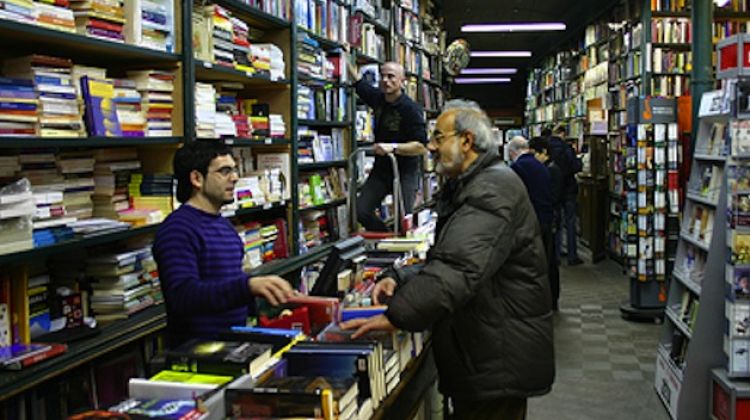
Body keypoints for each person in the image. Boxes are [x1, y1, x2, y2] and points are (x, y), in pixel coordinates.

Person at [341, 101, 554, 420]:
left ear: (466, 141)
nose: (430, 146)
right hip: (486, 349)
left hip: (497, 359)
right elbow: (450, 256)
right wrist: (400, 278)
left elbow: (458, 269)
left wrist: (400, 314)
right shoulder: (474, 184)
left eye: (439, 137)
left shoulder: (493, 188)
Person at [153, 141, 294, 347]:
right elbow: (182, 296)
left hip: (231, 345)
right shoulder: (178, 229)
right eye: (224, 171)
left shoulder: (224, 225)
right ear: (196, 178)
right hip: (197, 354)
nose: (235, 177)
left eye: (234, 170)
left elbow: (227, 284)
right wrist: (248, 286)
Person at [348, 60, 428, 231]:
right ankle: (385, 238)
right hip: (381, 170)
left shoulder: (411, 109)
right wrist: (344, 52)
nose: (386, 80)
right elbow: (357, 82)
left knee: (404, 219)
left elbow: (421, 146)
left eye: (391, 77)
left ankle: (402, 250)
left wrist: (392, 147)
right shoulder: (378, 98)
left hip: (405, 170)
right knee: (361, 211)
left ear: (402, 81)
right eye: (382, 76)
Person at [530, 136, 562, 311]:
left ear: (543, 152)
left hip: (550, 218)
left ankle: (552, 298)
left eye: (535, 153)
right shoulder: (548, 169)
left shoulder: (550, 170)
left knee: (549, 259)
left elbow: (554, 195)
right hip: (550, 217)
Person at [546, 125, 583, 266]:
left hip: (554, 190)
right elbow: (575, 167)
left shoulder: (547, 148)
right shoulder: (567, 148)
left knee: (556, 224)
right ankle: (572, 255)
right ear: (563, 134)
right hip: (569, 189)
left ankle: (556, 256)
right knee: (571, 223)